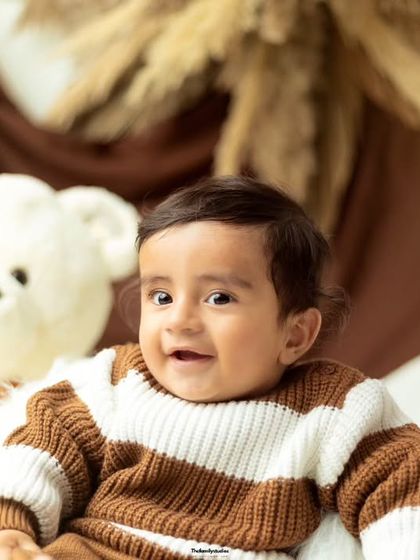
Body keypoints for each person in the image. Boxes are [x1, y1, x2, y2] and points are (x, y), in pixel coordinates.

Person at [0, 176, 418, 560]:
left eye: (219, 298)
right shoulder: (117, 379)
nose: (179, 320)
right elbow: (43, 443)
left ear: (295, 334)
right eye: (161, 297)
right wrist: (12, 524)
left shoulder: (333, 409)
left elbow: (402, 482)